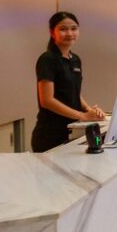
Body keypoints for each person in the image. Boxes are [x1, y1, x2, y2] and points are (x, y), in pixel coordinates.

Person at [31, 11, 106, 152]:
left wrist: (89, 110)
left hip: (73, 130)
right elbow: (47, 100)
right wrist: (82, 116)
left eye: (74, 28)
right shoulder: (47, 59)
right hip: (51, 135)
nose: (69, 33)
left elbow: (74, 92)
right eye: (63, 29)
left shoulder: (75, 59)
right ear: (52, 32)